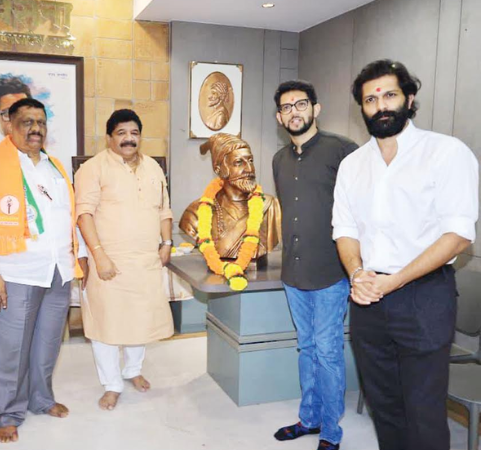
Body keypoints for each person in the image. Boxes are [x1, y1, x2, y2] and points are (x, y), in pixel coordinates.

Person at [333, 59, 479, 450]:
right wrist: (357, 274)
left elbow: (458, 235)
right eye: (370, 99)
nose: (380, 105)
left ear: (409, 99)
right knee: (384, 407)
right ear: (362, 108)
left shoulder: (446, 153)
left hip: (424, 297)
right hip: (368, 299)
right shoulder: (351, 166)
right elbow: (345, 230)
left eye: (390, 95)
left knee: (424, 412)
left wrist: (394, 281)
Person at [0, 97, 88, 443]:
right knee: (10, 349)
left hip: (57, 270)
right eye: (27, 122)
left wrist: (79, 255)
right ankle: (6, 412)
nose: (36, 129)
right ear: (9, 125)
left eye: (41, 122)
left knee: (47, 342)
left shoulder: (54, 167)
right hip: (14, 273)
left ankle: (41, 398)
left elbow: (68, 215)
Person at [271, 80, 358, 450]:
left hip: (331, 273)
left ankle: (331, 432)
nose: (294, 112)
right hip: (293, 273)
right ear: (279, 117)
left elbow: (362, 210)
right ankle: (309, 419)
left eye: (301, 104)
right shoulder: (278, 160)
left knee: (327, 352)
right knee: (306, 348)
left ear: (316, 109)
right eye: (286, 107)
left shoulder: (343, 150)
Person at [75, 109, 174, 411]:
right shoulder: (93, 168)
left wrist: (167, 242)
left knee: (140, 320)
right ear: (109, 138)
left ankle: (132, 370)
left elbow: (164, 210)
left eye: (134, 133)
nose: (129, 139)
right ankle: (111, 384)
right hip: (109, 263)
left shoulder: (153, 168)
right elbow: (83, 215)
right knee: (106, 325)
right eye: (121, 133)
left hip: (145, 261)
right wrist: (99, 256)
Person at [179, 133, 281, 260]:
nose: (249, 169)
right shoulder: (195, 213)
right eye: (238, 162)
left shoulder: (270, 206)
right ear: (219, 169)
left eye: (250, 161)